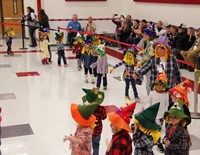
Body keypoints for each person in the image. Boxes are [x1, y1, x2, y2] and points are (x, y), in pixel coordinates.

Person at [146, 71, 169, 153]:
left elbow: (167, 104)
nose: (159, 86)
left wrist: (166, 114)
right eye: (157, 85)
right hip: (152, 115)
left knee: (158, 130)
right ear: (154, 85)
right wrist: (147, 110)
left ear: (164, 86)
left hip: (161, 116)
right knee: (152, 129)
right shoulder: (152, 93)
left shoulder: (166, 94)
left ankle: (159, 143)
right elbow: (148, 102)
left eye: (161, 85)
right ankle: (153, 141)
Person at [82, 88, 106, 155]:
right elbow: (104, 117)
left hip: (87, 131)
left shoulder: (85, 108)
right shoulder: (101, 108)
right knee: (96, 146)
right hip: (97, 131)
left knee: (87, 147)